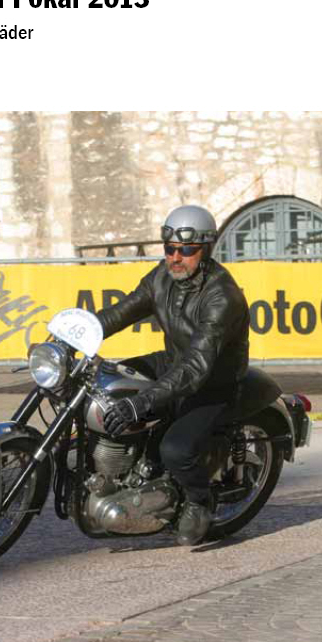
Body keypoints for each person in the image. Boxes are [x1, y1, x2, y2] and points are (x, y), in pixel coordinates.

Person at [96, 204, 250, 546]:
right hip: (171, 362)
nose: (176, 257)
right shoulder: (161, 277)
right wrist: (76, 332)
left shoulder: (222, 296)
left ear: (206, 249)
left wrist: (141, 403)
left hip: (212, 382)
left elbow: (196, 366)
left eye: (187, 250)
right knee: (105, 383)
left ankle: (199, 500)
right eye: (170, 248)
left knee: (176, 450)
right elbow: (120, 312)